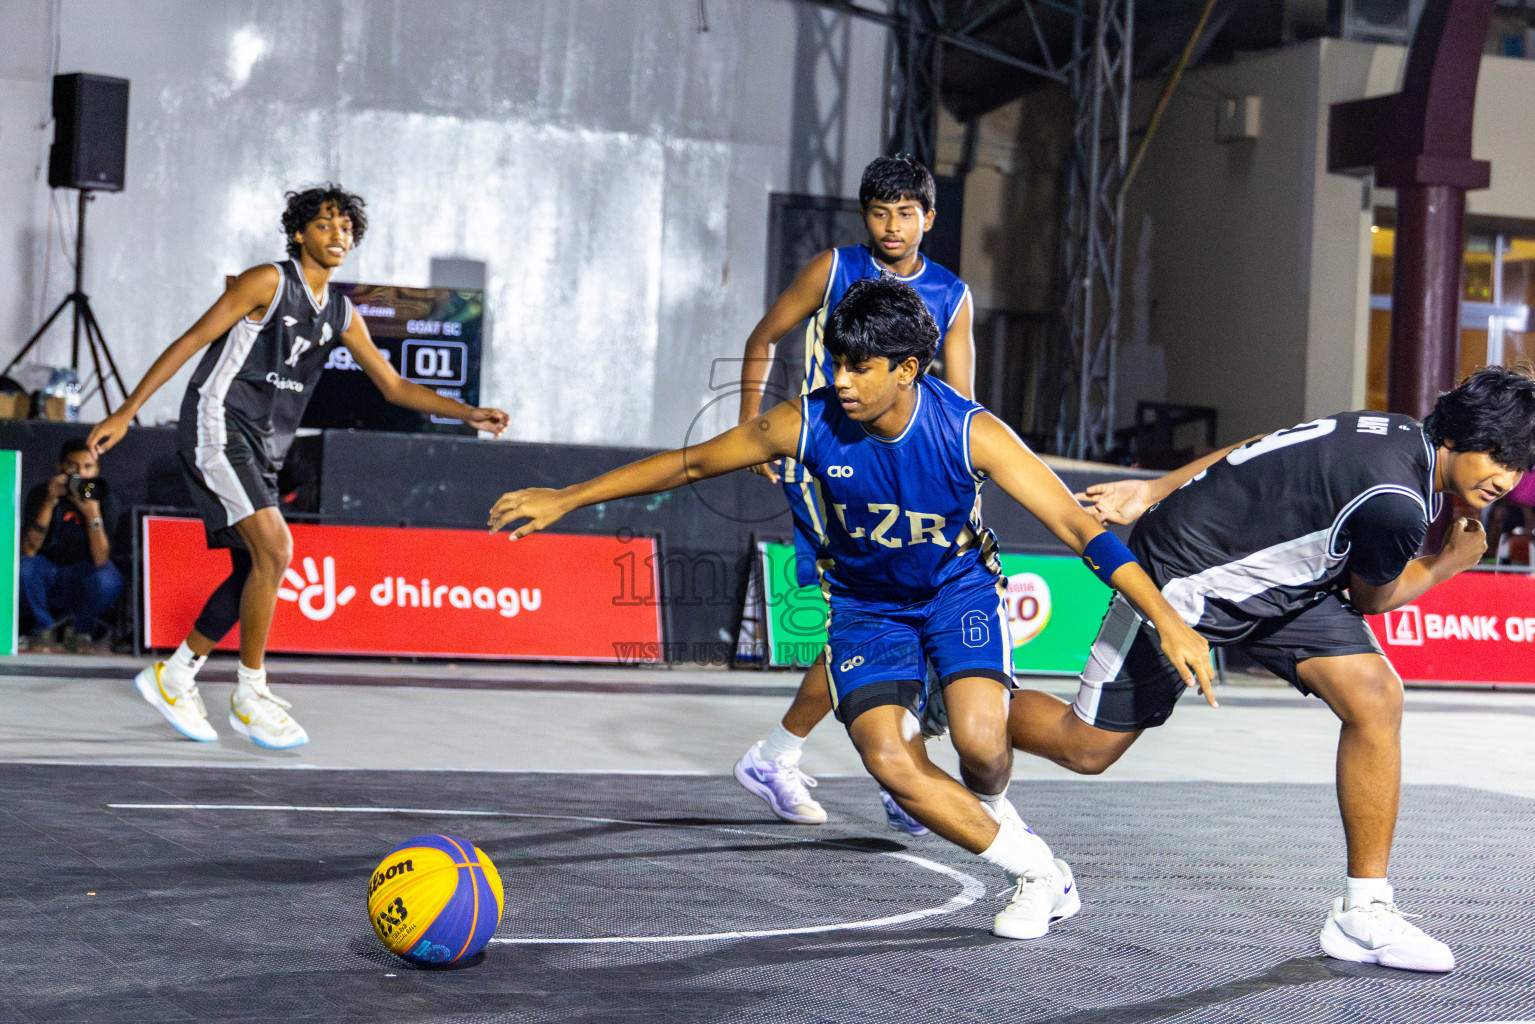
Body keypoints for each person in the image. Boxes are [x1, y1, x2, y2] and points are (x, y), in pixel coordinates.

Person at [490, 277, 1213, 938]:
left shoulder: (970, 432)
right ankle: (1039, 873)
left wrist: (1168, 619)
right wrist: (568, 497)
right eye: (835, 363)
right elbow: (693, 462)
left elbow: (1081, 531)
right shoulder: (808, 422)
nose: (839, 380)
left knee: (982, 747)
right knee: (890, 761)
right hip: (867, 608)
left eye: (858, 367)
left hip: (957, 592)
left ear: (907, 369)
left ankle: (981, 787)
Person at [1007, 364, 1535, 971]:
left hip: (1282, 586)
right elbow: (1373, 599)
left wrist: (1155, 487)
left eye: (1519, 463)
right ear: (1459, 433)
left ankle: (1363, 912)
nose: (1507, 478)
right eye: (1498, 456)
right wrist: (1447, 563)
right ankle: (964, 692)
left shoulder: (1387, 429)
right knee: (1084, 749)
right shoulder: (1398, 504)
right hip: (1187, 578)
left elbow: (1259, 445)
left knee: (1375, 696)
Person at [86, 185, 509, 749]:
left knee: (252, 567)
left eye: (346, 228)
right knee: (278, 550)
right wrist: (126, 411)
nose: (338, 236)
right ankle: (250, 693)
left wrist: (466, 413)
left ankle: (177, 674)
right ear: (299, 233)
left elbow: (393, 386)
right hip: (218, 423)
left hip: (265, 446)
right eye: (325, 225)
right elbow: (191, 341)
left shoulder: (341, 311)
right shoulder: (266, 281)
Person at [733, 155, 975, 835]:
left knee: (888, 613)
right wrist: (753, 430)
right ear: (864, 216)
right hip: (827, 466)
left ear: (929, 218)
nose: (892, 225)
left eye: (906, 213)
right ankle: (880, 768)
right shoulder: (834, 268)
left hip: (904, 475)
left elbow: (960, 401)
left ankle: (802, 758)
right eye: (879, 212)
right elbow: (763, 337)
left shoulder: (952, 295)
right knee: (875, 610)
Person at [19, 438, 123, 652]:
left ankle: (80, 632)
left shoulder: (103, 497)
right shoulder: (42, 492)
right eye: (72, 466)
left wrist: (92, 514)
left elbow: (101, 560)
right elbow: (29, 550)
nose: (80, 474)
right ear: (60, 467)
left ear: (96, 471)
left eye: (87, 467)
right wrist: (49, 502)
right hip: (48, 573)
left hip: (84, 576)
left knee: (109, 578)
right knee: (24, 567)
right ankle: (44, 629)